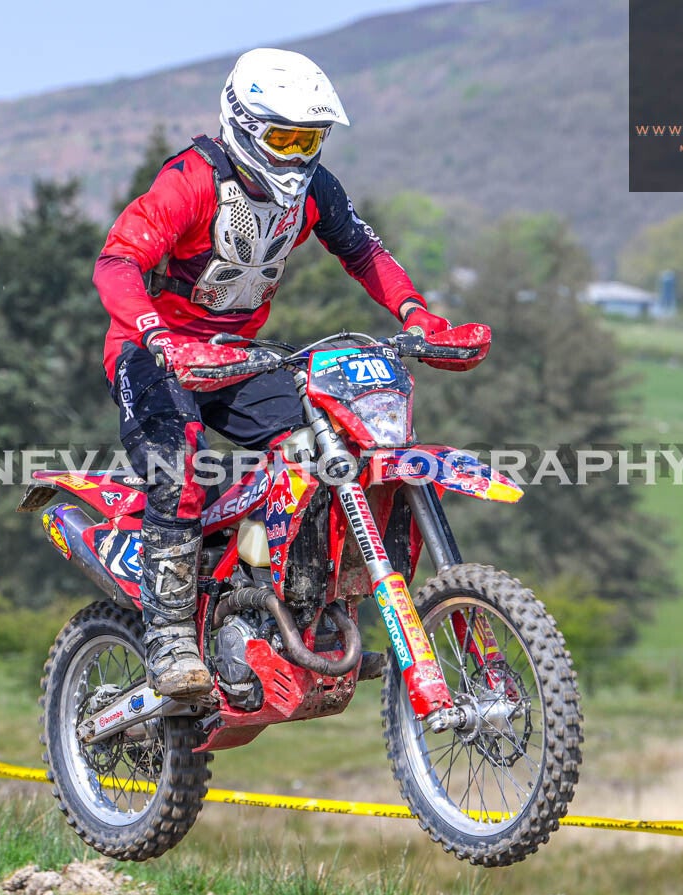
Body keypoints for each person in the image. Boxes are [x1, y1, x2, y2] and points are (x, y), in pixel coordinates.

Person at [93, 47, 491, 698]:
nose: (298, 155)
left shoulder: (315, 189)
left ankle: (303, 608)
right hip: (154, 352)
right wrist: (158, 335)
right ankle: (170, 637)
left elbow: (363, 251)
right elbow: (116, 263)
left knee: (327, 448)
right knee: (179, 471)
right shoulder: (191, 181)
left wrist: (418, 315)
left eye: (311, 139)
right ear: (244, 126)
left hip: (240, 356)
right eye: (284, 138)